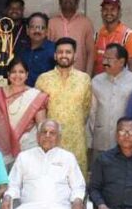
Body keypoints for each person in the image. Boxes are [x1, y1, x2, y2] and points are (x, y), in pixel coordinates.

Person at [35, 38, 91, 174]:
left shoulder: (84, 79)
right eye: (60, 52)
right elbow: (38, 110)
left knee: (76, 179)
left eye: (68, 52)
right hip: (51, 141)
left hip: (76, 142)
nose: (64, 55)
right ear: (55, 55)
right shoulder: (43, 79)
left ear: (75, 55)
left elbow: (86, 109)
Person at [0, 57, 48, 167]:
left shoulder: (35, 96)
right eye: (13, 72)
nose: (17, 75)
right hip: (2, 147)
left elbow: (41, 125)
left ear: (27, 75)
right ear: (8, 74)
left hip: (27, 145)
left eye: (21, 72)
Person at [88, 42, 132, 154]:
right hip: (101, 142)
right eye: (104, 58)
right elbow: (92, 113)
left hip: (126, 145)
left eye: (109, 59)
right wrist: (90, 140)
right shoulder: (96, 81)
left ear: (121, 62)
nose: (104, 62)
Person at [48, 0, 95, 74]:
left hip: (80, 75)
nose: (68, 0)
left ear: (77, 1)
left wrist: (88, 75)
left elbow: (91, 52)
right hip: (56, 75)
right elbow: (47, 50)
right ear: (59, 1)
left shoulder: (86, 23)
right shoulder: (51, 23)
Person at [93, 0, 132, 74]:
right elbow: (94, 64)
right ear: (101, 12)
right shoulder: (97, 36)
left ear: (119, 12)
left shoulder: (128, 35)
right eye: (105, 9)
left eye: (113, 9)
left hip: (120, 81)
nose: (109, 12)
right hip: (100, 80)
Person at [15, 12, 56, 86]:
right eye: (33, 27)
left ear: (47, 31)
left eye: (41, 28)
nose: (37, 31)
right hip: (22, 91)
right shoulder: (20, 49)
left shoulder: (54, 50)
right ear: (27, 30)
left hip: (45, 92)